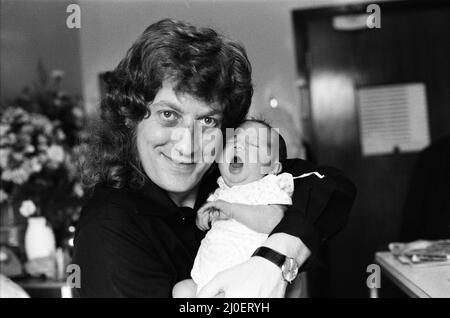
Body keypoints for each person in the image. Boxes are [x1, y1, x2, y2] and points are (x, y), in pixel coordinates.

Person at [72, 18, 356, 298]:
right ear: (131, 118)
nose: (188, 144)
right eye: (168, 115)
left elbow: (332, 187)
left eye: (207, 120)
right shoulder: (108, 229)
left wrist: (277, 259)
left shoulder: (230, 178)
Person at [173, 119, 325, 297]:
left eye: (252, 144)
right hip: (206, 277)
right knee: (181, 290)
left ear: (272, 167)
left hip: (247, 278)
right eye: (233, 140)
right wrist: (204, 216)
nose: (238, 146)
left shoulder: (268, 187)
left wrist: (232, 210)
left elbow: (274, 221)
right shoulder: (220, 190)